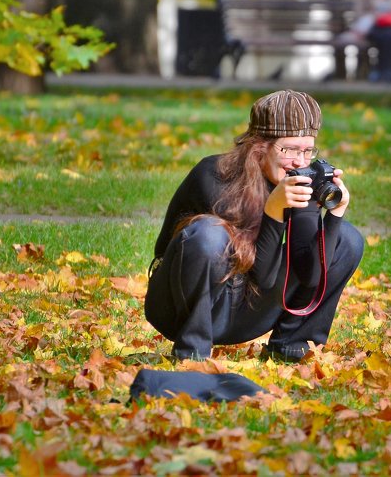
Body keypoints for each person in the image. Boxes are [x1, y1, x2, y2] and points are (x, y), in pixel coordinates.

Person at [145, 90, 365, 362]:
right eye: (289, 150)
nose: (299, 161)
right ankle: (192, 353)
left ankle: (291, 346)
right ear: (258, 146)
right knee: (208, 234)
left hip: (249, 309)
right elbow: (258, 273)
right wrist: (273, 211)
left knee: (348, 239)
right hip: (181, 307)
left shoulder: (298, 184)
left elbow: (309, 276)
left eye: (307, 151)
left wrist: (334, 217)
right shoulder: (214, 175)